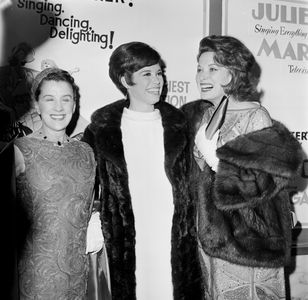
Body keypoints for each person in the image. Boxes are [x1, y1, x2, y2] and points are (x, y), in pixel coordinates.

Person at [181, 35, 304, 300]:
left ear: (233, 72)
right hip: (212, 243)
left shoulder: (255, 116)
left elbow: (263, 182)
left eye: (213, 69)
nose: (202, 76)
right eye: (200, 68)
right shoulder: (206, 116)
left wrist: (215, 159)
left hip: (247, 247)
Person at [82, 41, 204, 300]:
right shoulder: (101, 130)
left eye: (159, 73)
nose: (157, 81)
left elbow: (199, 182)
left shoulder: (180, 125)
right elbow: (84, 187)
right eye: (146, 74)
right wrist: (93, 219)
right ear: (125, 80)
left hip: (173, 239)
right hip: (128, 242)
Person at [14, 68, 100, 299]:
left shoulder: (86, 152)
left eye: (66, 99)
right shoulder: (20, 150)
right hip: (34, 280)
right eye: (49, 99)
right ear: (37, 105)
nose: (59, 108)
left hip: (77, 278)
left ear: (74, 105)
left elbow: (88, 206)